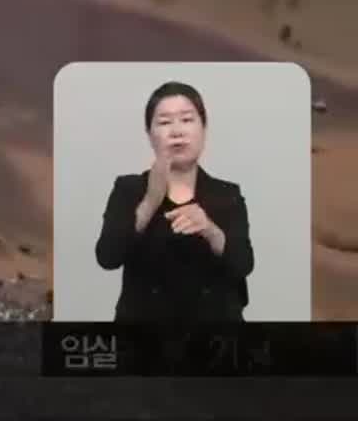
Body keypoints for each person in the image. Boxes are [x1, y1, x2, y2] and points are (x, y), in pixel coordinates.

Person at [94, 81, 254, 321]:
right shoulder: (129, 189)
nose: (177, 131)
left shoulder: (226, 194)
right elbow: (108, 257)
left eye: (187, 120)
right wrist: (150, 201)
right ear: (150, 134)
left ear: (204, 129)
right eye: (165, 122)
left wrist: (211, 231)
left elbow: (243, 264)